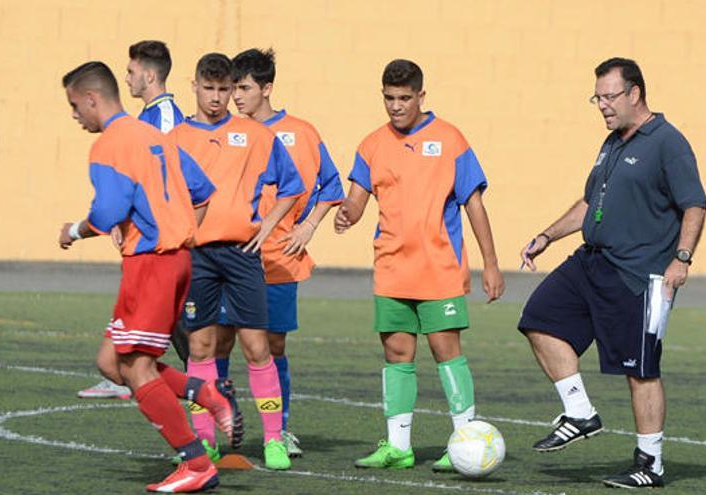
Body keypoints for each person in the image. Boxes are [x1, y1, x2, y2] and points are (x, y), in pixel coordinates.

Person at [517, 57, 706, 489]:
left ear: (634, 93)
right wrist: (548, 235)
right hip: (591, 262)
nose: (601, 105)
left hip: (638, 276)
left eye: (608, 96)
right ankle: (580, 412)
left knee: (640, 370)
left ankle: (649, 463)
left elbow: (695, 204)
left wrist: (682, 258)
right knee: (539, 319)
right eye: (596, 98)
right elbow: (588, 203)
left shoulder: (668, 142)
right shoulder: (612, 143)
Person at [57, 61, 242, 493]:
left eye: (73, 105)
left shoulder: (109, 145)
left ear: (91, 98)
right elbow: (202, 191)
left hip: (152, 263)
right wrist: (180, 231)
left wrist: (73, 231)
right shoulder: (155, 136)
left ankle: (196, 463)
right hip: (172, 260)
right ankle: (205, 393)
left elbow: (107, 212)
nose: (74, 115)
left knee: (138, 369)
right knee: (111, 363)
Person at [336, 59, 504, 472]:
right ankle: (398, 446)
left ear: (421, 96)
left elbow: (474, 205)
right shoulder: (372, 143)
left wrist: (491, 264)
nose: (396, 106)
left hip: (439, 268)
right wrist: (347, 213)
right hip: (392, 267)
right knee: (397, 352)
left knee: (445, 350)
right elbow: (357, 196)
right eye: (389, 99)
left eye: (404, 98)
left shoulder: (450, 140)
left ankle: (464, 439)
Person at [170, 53, 304, 470]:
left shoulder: (256, 134)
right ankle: (206, 440)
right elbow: (162, 194)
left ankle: (273, 440)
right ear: (194, 87)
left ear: (233, 89)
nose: (216, 97)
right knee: (201, 344)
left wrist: (268, 225)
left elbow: (292, 185)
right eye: (208, 89)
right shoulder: (175, 138)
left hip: (244, 253)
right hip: (199, 255)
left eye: (224, 89)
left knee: (256, 346)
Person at [218, 47, 345, 458]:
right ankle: (217, 425)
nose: (236, 96)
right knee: (216, 344)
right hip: (231, 257)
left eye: (244, 87)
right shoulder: (229, 133)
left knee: (273, 346)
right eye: (233, 88)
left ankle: (281, 428)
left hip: (278, 258)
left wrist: (309, 226)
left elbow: (332, 186)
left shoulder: (301, 132)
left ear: (267, 88)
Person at [78, 39, 188, 401]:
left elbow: (178, 181)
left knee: (188, 339)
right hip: (151, 244)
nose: (126, 79)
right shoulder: (141, 121)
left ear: (149, 74)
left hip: (164, 246)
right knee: (164, 337)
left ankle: (204, 406)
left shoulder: (165, 119)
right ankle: (200, 397)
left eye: (130, 71)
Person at [127, 40, 185, 132]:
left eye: (131, 72)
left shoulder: (165, 117)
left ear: (149, 76)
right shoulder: (152, 112)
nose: (127, 79)